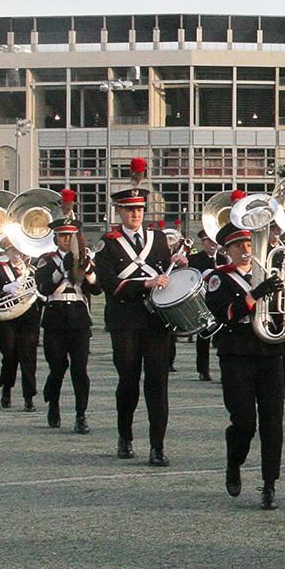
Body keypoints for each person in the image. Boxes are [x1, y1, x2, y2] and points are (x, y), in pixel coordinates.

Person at [204, 219, 285, 509]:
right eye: (239, 244)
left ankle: (269, 484)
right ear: (227, 249)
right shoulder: (218, 278)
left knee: (272, 423)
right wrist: (255, 294)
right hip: (237, 354)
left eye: (249, 243)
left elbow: (284, 309)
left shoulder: (270, 273)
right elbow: (226, 314)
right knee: (243, 422)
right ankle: (234, 462)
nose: (246, 248)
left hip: (269, 353)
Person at [93, 161, 176, 465]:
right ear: (120, 213)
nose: (135, 215)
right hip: (125, 321)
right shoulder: (108, 245)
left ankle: (158, 446)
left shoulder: (158, 239)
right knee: (128, 381)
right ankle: (125, 436)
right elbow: (107, 283)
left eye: (139, 210)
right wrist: (147, 282)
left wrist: (174, 270)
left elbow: (165, 277)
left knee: (158, 384)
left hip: (155, 323)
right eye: (129, 211)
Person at [36, 202, 100, 433]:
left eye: (70, 236)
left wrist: (89, 271)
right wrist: (60, 270)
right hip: (55, 319)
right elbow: (43, 288)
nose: (66, 240)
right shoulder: (47, 259)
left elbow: (97, 289)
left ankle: (81, 414)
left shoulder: (84, 257)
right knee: (57, 368)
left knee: (80, 370)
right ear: (56, 238)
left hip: (79, 320)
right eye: (62, 236)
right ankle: (53, 404)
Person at [0, 237, 41, 411]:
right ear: (7, 252)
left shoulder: (32, 271)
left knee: (28, 357)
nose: (17, 254)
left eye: (19, 250)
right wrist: (4, 289)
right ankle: (7, 388)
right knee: (10, 355)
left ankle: (29, 397)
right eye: (13, 250)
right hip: (7, 317)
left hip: (29, 317)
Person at [185, 232, 219, 382]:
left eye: (214, 242)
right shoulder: (194, 259)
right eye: (208, 242)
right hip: (203, 302)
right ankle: (203, 369)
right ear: (203, 243)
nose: (212, 245)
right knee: (204, 337)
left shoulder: (225, 258)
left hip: (221, 303)